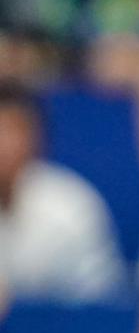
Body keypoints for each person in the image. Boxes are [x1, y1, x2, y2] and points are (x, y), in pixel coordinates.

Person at [0, 82, 125, 301]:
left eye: (15, 129)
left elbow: (102, 300)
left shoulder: (72, 206)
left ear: (37, 137)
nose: (5, 144)